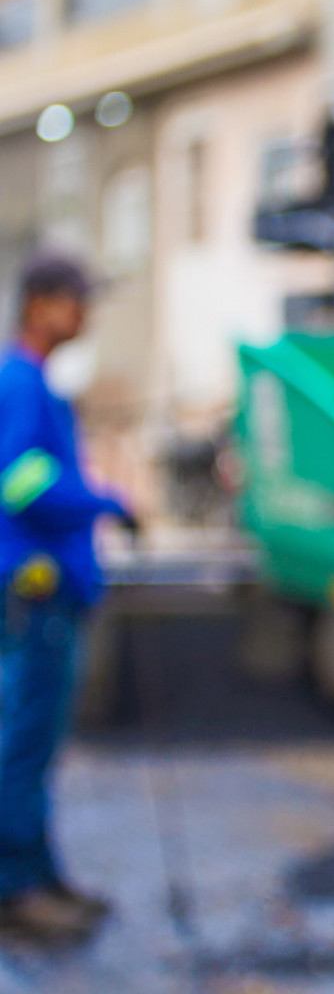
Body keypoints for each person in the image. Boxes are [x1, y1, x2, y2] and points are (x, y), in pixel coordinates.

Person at [0, 255, 134, 942]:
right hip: (35, 592)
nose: (84, 316)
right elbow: (21, 485)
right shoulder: (22, 385)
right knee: (23, 741)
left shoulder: (34, 385)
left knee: (35, 741)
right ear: (43, 304)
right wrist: (106, 499)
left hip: (46, 593)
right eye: (76, 302)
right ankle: (16, 888)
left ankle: (40, 874)